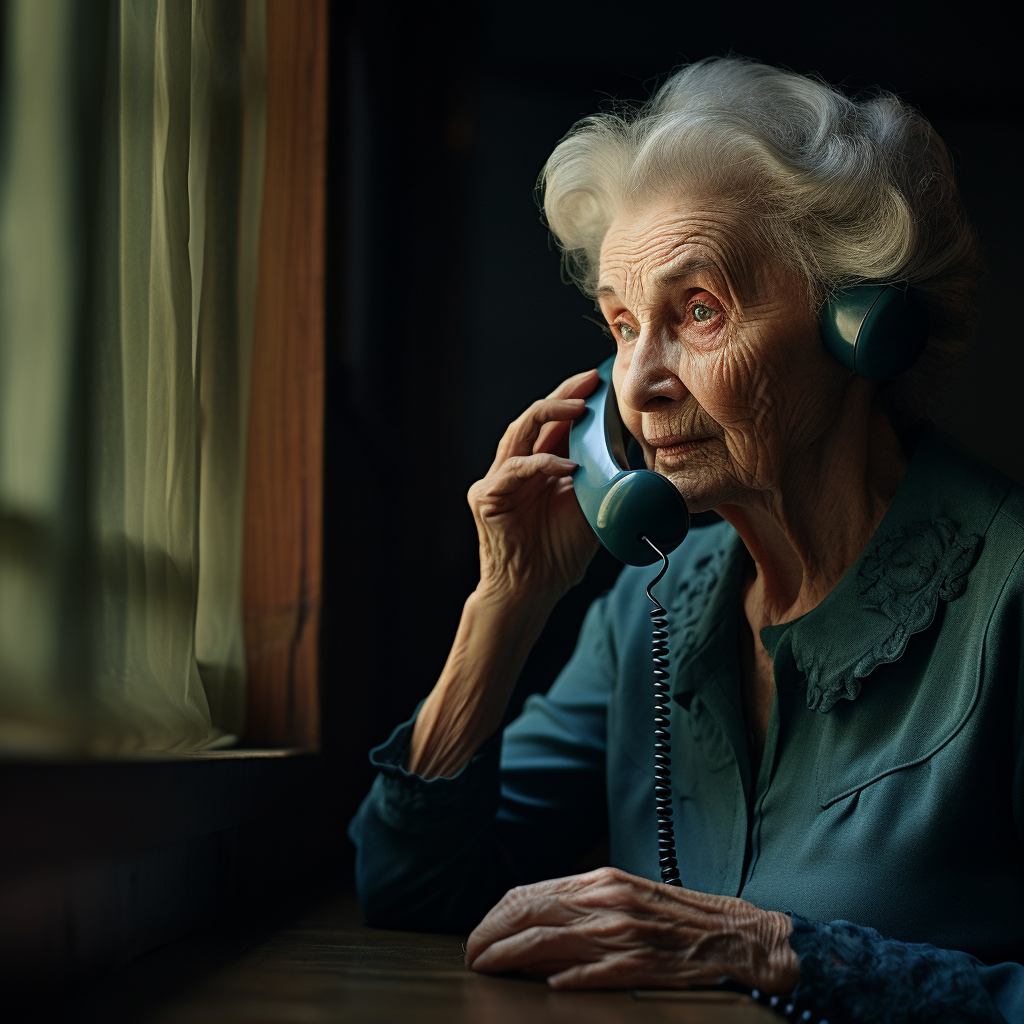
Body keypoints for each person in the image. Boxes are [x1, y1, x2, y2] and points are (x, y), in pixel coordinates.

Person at [348, 57, 1024, 1023]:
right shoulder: (653, 603)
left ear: (861, 325)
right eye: (623, 327)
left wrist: (776, 952)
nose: (635, 385)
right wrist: (505, 603)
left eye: (698, 311)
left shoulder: (1010, 597)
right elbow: (409, 890)